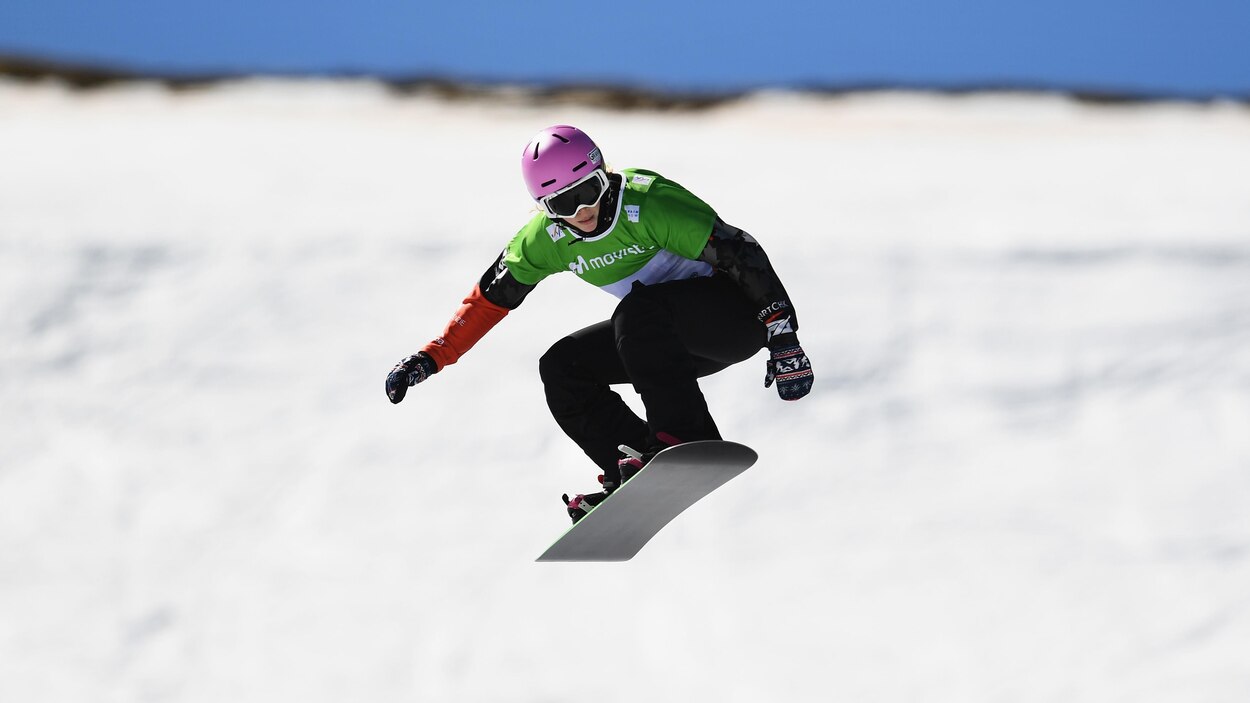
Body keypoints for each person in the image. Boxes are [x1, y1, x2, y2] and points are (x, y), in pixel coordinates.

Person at [386, 125, 813, 523]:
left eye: (589, 191)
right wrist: (431, 356)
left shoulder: (648, 201)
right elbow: (488, 302)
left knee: (636, 311)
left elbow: (740, 251)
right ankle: (632, 464)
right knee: (562, 366)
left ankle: (685, 437)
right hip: (667, 346)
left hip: (734, 319)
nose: (583, 210)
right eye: (563, 204)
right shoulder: (543, 241)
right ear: (544, 210)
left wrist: (782, 333)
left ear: (604, 173)